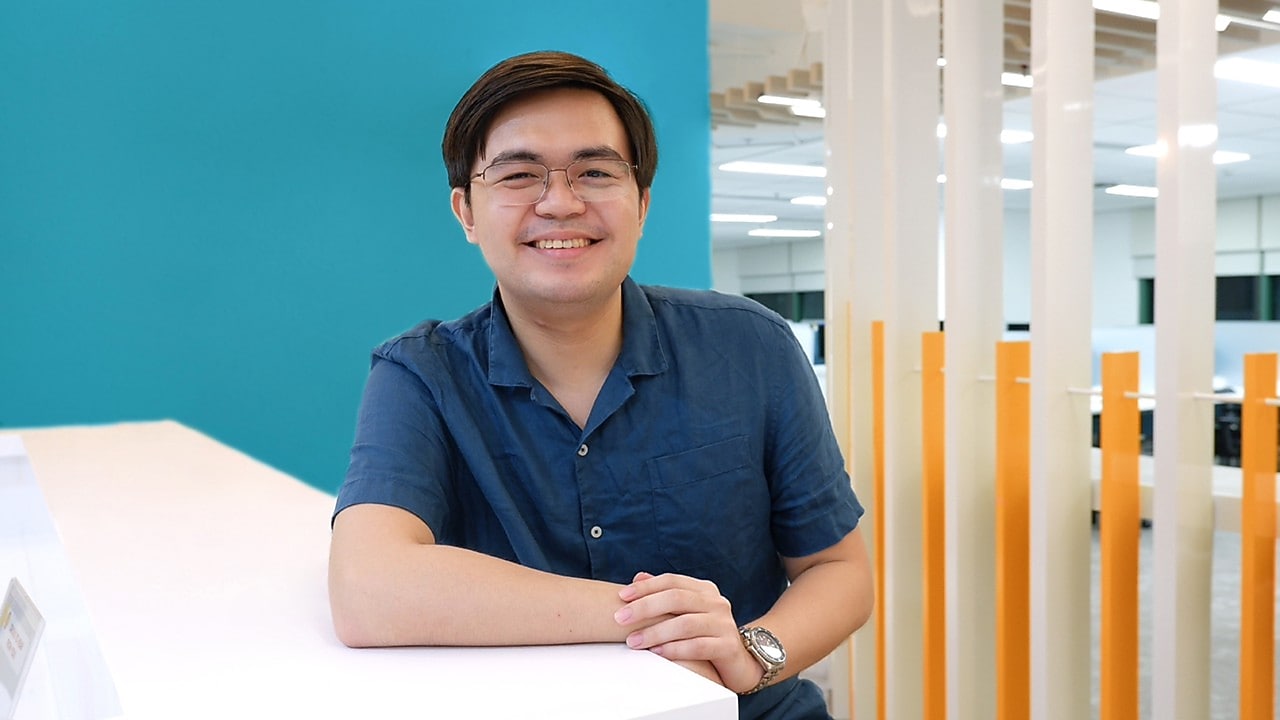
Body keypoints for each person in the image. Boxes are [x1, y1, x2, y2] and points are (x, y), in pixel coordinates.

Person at [328, 49, 873, 720]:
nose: (561, 202)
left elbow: (838, 571)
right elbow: (368, 586)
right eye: (520, 174)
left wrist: (750, 652)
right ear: (466, 211)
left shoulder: (750, 345)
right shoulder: (421, 374)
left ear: (641, 204)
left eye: (594, 171)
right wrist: (660, 619)